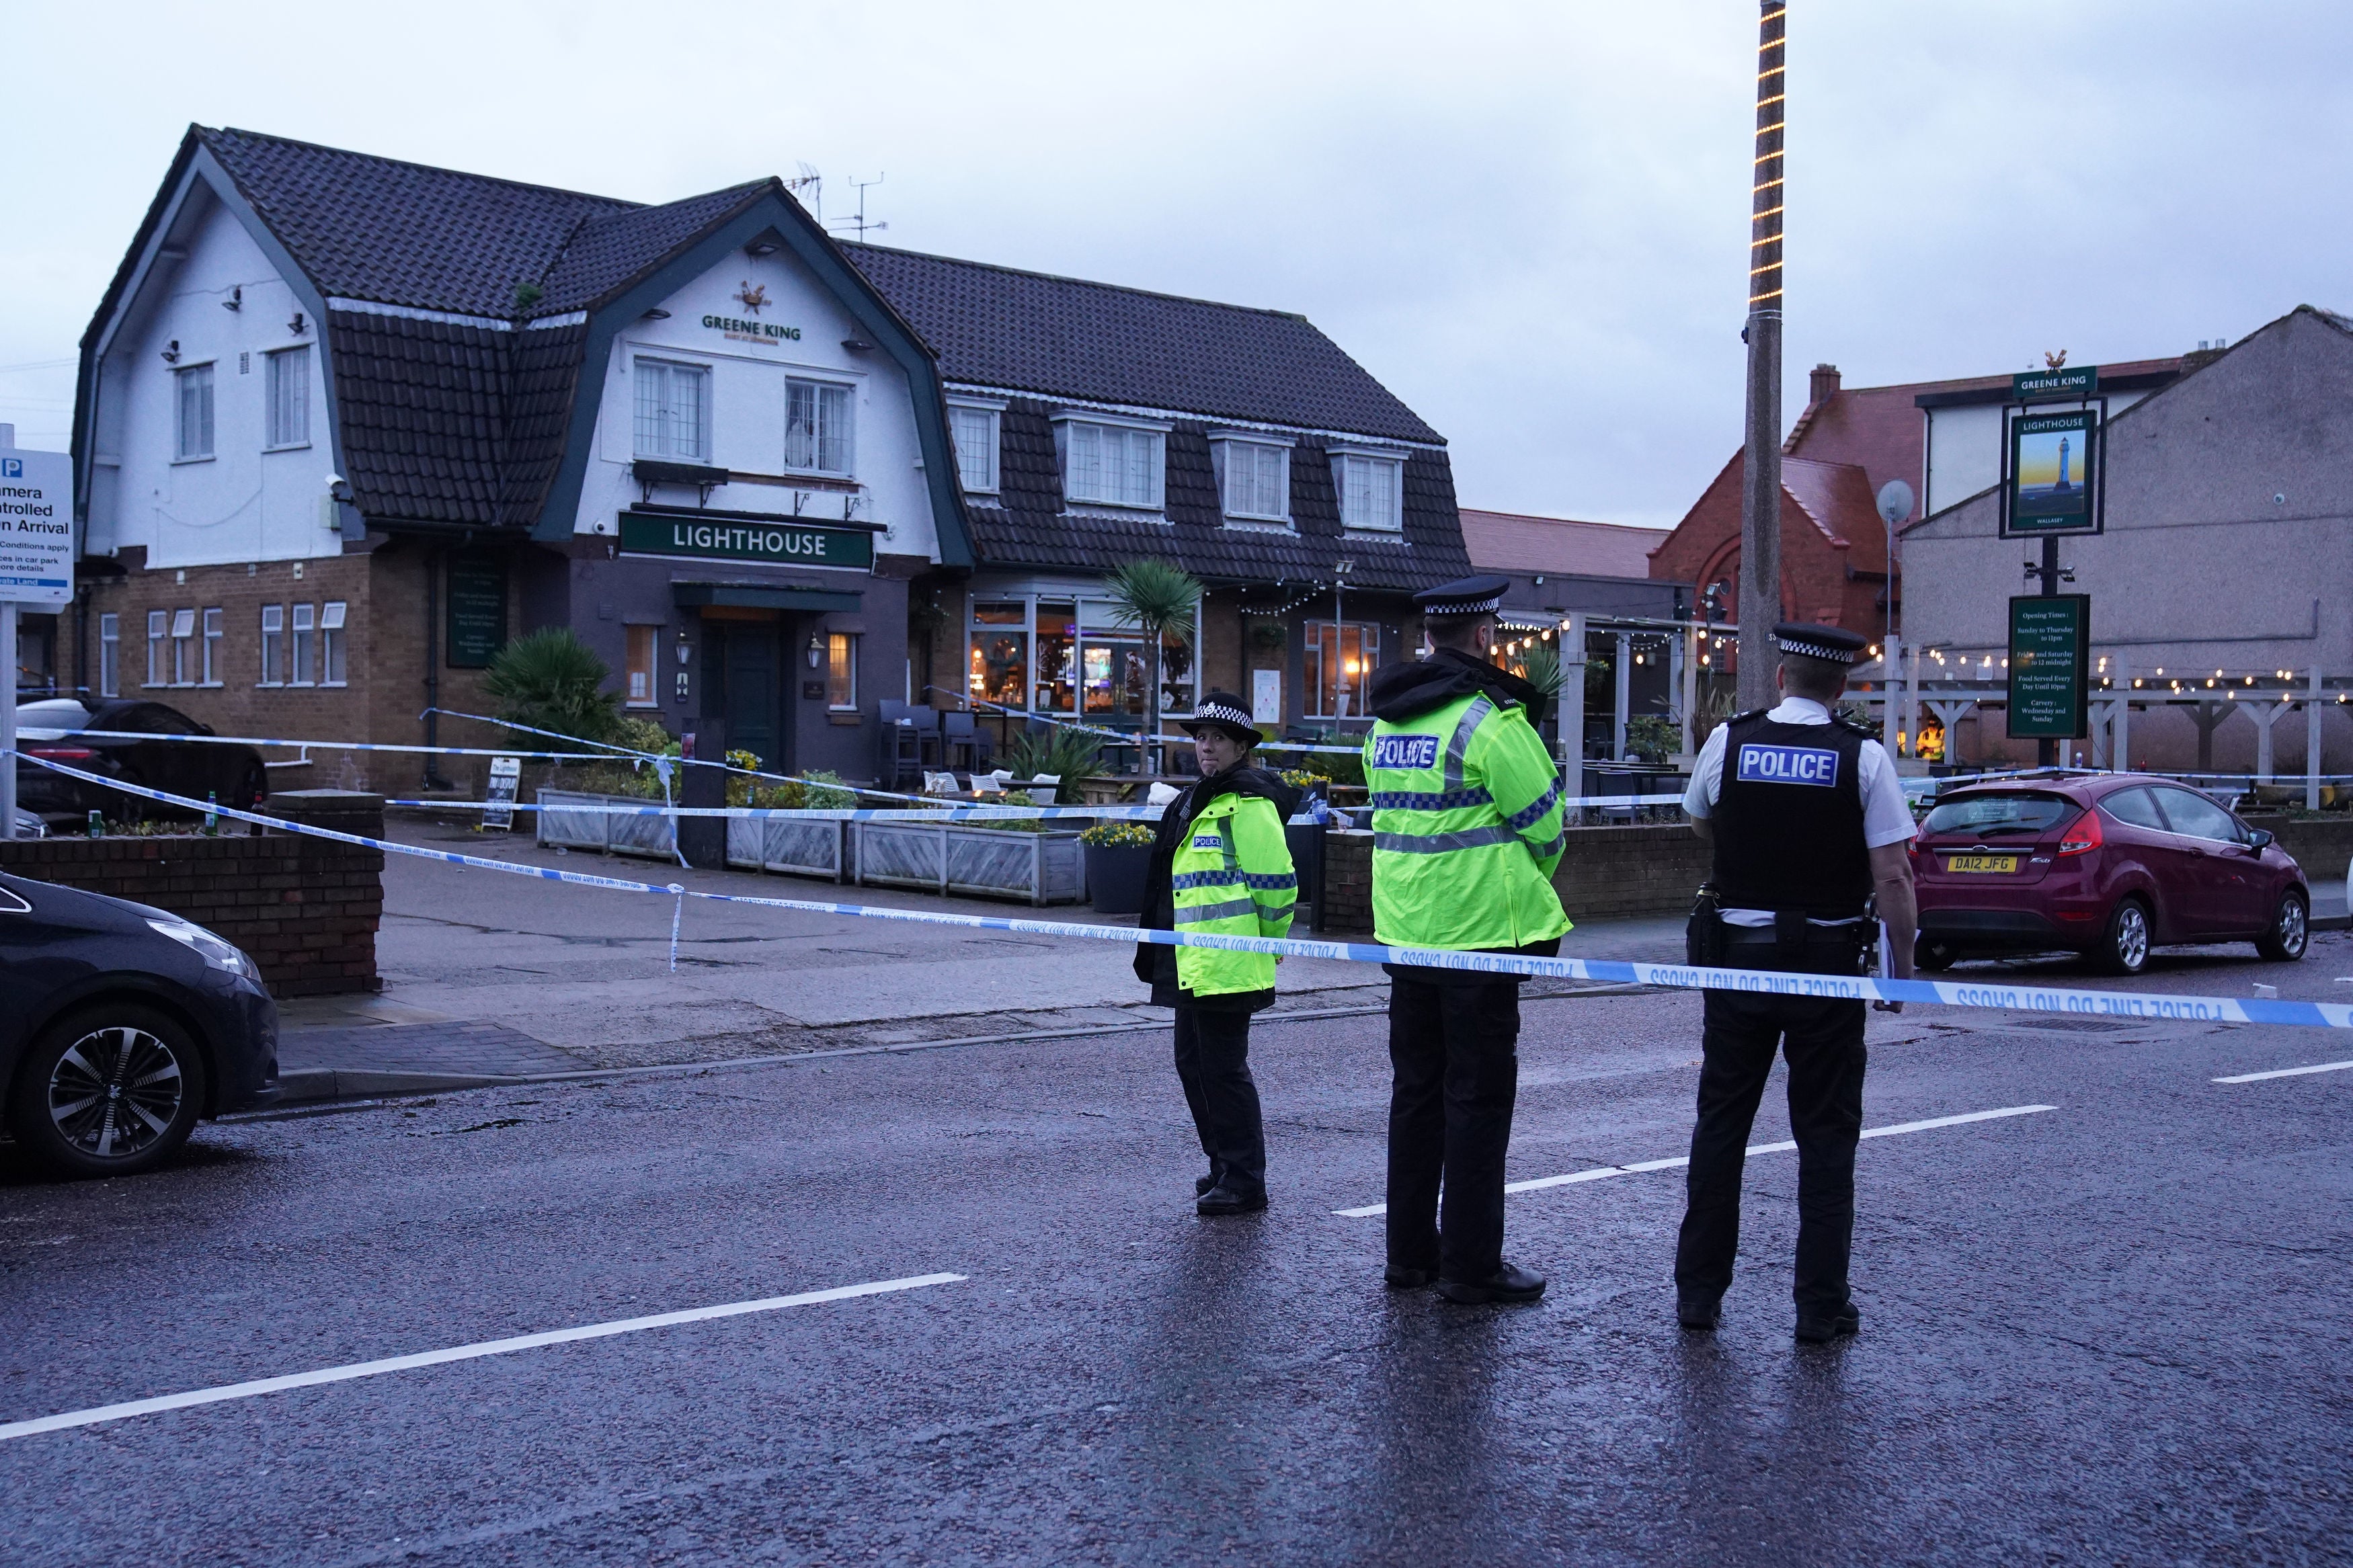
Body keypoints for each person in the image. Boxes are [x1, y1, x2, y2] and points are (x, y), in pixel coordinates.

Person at [1673, 622, 1919, 1344]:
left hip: (1738, 962)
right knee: (1824, 1136)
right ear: (1839, 687)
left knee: (1720, 1124)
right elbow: (1894, 874)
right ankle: (1818, 1306)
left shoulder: (1730, 741)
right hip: (1826, 969)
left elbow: (1696, 821)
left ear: (1780, 677)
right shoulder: (1862, 757)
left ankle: (1697, 1293)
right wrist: (1900, 972)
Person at [1363, 575, 1569, 1304]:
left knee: (1414, 1097)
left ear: (1428, 638)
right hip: (1480, 941)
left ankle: (1408, 1254)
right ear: (1482, 636)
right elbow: (1546, 829)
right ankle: (1471, 1264)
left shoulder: (1386, 724)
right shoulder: (1491, 722)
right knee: (1475, 1105)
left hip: (1406, 938)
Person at [1133, 690, 1303, 1216]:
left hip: (1228, 964)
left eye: (1218, 739)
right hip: (1192, 961)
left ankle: (1246, 1178)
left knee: (1223, 1070)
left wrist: (1270, 944)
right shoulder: (1197, 797)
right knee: (1192, 1064)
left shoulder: (1248, 804)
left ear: (1240, 747)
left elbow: (1276, 884)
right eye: (1202, 738)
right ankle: (1225, 1162)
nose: (1207, 747)